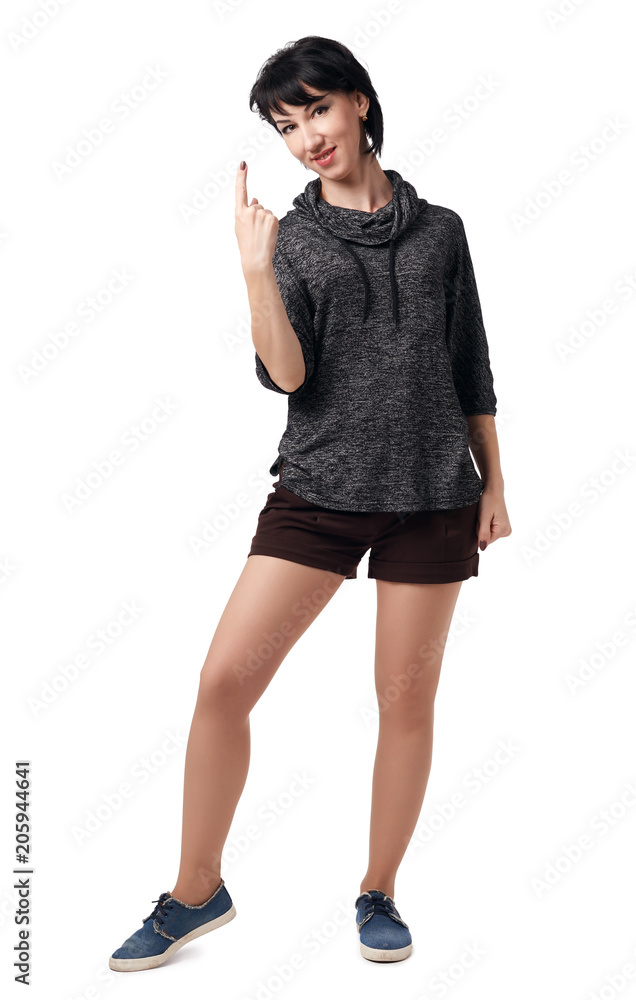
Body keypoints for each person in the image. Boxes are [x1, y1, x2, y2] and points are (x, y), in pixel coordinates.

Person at [109, 35, 512, 973]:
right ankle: (196, 893)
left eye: (318, 111)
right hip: (320, 490)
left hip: (432, 494)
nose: (307, 138)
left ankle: (379, 891)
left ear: (360, 102)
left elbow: (471, 364)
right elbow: (287, 375)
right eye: (286, 127)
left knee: (404, 701)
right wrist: (256, 272)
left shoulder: (442, 231)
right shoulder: (290, 240)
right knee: (223, 684)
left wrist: (495, 482)